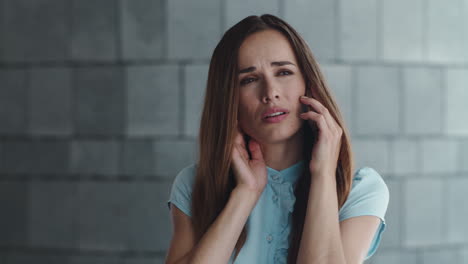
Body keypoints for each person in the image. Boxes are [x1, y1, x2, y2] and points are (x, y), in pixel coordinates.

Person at [165, 14, 389, 264]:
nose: (270, 93)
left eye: (283, 72)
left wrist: (323, 175)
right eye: (249, 80)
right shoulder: (194, 184)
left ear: (309, 84)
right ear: (229, 100)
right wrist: (246, 193)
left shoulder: (360, 189)